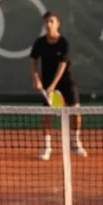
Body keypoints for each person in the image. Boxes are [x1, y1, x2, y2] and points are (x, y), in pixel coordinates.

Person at [28, 11, 86, 159]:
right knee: (46, 116)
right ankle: (47, 147)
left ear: (57, 24)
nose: (48, 25)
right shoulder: (39, 43)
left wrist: (54, 85)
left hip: (66, 81)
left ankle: (75, 142)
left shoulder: (63, 43)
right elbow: (33, 61)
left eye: (51, 22)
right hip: (47, 83)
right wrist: (36, 78)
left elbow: (62, 66)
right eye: (46, 22)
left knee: (76, 112)